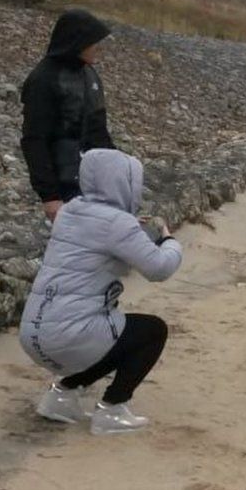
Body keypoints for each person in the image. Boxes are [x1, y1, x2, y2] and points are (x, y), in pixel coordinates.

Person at [19, 149, 183, 434]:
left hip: (33, 333)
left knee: (107, 332)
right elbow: (159, 269)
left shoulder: (69, 211)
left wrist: (131, 230)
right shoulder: (118, 224)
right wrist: (169, 240)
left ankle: (60, 397)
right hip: (67, 337)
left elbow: (96, 240)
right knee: (151, 331)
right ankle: (112, 410)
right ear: (124, 183)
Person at [20, 8, 115, 222]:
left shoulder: (89, 75)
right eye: (92, 42)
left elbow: (98, 130)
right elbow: (34, 140)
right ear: (77, 43)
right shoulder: (43, 80)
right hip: (63, 185)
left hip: (93, 180)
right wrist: (50, 196)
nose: (96, 48)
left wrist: (116, 171)